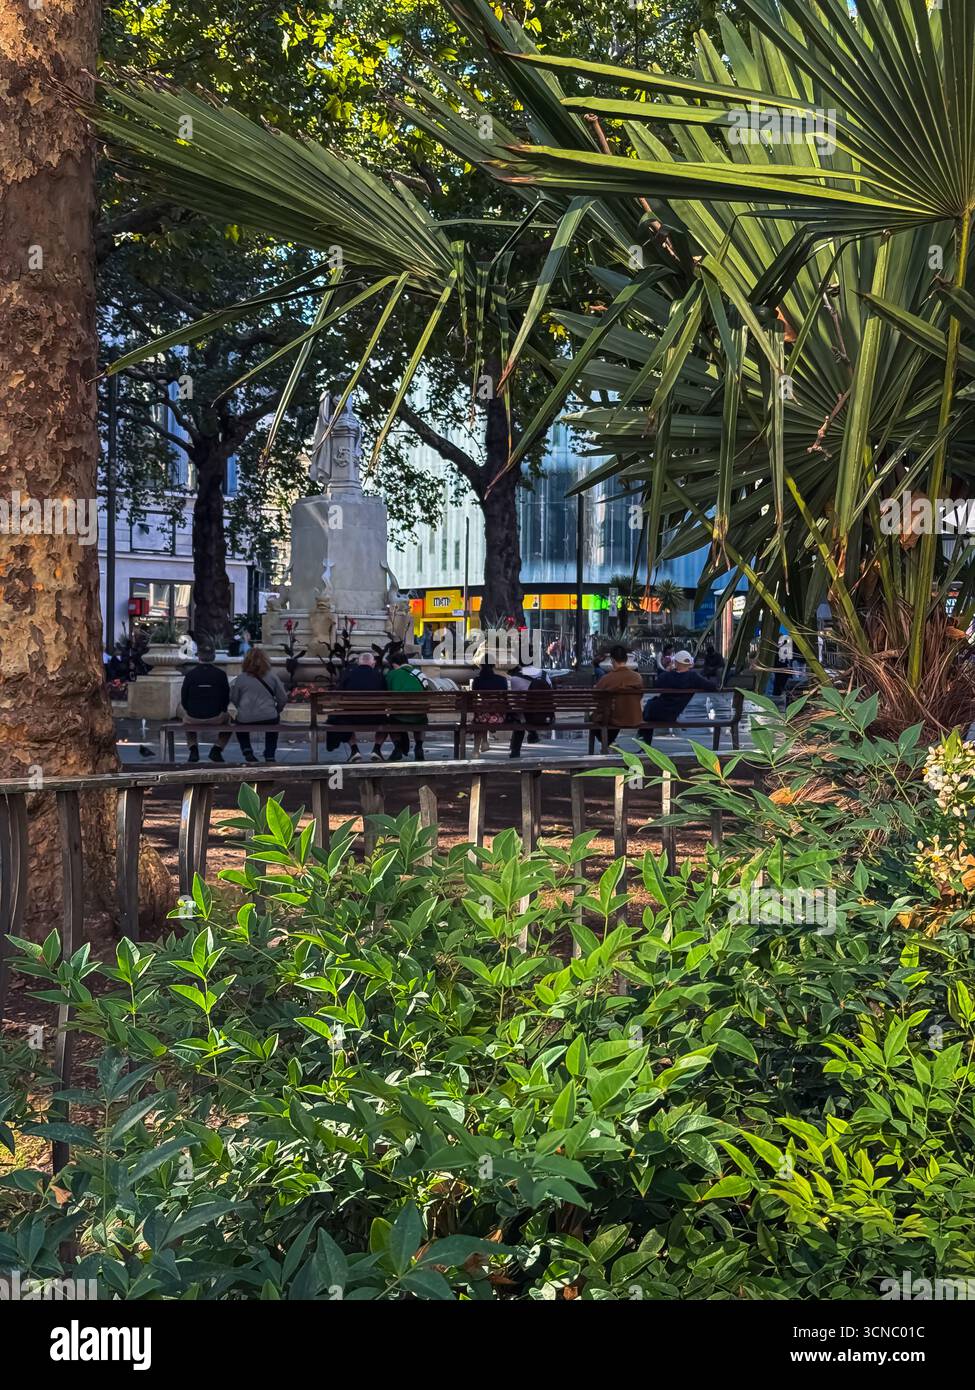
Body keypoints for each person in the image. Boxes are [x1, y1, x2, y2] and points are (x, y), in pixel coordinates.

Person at [639, 648, 717, 737]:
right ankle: (643, 739)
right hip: (674, 713)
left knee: (649, 707)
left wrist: (667, 670)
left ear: (675, 663)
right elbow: (712, 686)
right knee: (650, 707)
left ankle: (643, 740)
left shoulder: (667, 676)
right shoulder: (693, 677)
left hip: (657, 711)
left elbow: (656, 684)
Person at [229, 647, 287, 764]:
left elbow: (234, 698)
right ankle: (270, 754)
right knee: (274, 724)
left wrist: (241, 708)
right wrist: (277, 710)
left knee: (238, 723)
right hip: (269, 716)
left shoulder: (240, 679)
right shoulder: (272, 677)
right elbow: (283, 698)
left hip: (245, 717)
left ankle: (247, 750)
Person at [326, 652, 385, 762]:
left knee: (340, 717)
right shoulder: (379, 675)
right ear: (373, 663)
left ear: (359, 662)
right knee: (388, 720)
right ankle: (376, 749)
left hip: (351, 718)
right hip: (376, 718)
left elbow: (338, 695)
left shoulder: (348, 674)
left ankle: (354, 750)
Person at [179, 640, 232, 763]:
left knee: (186, 719)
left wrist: (189, 710)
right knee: (230, 720)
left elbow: (184, 697)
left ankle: (193, 748)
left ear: (198, 657)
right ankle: (217, 748)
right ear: (213, 657)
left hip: (193, 717)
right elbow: (226, 697)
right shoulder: (221, 674)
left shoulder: (190, 674)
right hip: (215, 717)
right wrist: (222, 710)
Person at [592, 644, 644, 747]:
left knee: (595, 718)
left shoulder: (607, 678)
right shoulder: (637, 677)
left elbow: (595, 696)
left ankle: (610, 743)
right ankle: (611, 743)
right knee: (614, 712)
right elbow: (640, 695)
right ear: (626, 659)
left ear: (612, 660)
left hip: (615, 719)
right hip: (634, 717)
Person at [383, 652, 427, 760]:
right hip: (419, 716)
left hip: (399, 716)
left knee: (390, 720)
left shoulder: (391, 674)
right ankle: (419, 747)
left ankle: (397, 748)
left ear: (394, 664)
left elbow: (386, 694)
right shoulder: (419, 673)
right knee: (421, 718)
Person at [508, 664, 554, 758]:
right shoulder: (545, 674)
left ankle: (515, 751)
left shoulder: (515, 678)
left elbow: (514, 702)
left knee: (518, 718)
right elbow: (550, 693)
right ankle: (532, 734)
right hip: (546, 716)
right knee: (521, 716)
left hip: (526, 718)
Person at [471, 660, 508, 756]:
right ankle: (484, 742)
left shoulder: (477, 680)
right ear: (493, 665)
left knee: (480, 716)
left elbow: (474, 698)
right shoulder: (502, 679)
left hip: (482, 716)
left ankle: (476, 749)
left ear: (481, 666)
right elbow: (505, 699)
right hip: (498, 717)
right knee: (485, 713)